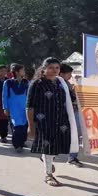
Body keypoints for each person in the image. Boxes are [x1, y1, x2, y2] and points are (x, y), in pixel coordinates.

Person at [27, 57, 79, 187]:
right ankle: (48, 174)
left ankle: (46, 159)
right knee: (49, 147)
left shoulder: (62, 83)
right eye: (51, 68)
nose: (54, 70)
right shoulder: (37, 84)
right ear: (44, 69)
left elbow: (72, 99)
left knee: (58, 146)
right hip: (44, 121)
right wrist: (31, 127)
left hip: (61, 121)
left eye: (57, 68)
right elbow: (29, 106)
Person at [59, 63, 84, 167]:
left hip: (73, 112)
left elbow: (73, 95)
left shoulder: (67, 83)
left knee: (76, 135)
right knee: (63, 135)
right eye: (69, 73)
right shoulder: (58, 84)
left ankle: (72, 157)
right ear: (61, 74)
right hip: (65, 114)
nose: (70, 75)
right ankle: (49, 155)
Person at [3, 64, 29, 153]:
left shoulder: (26, 82)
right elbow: (4, 96)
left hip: (24, 107)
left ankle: (22, 142)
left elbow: (28, 95)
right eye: (22, 70)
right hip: (13, 108)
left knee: (25, 125)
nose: (24, 71)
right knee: (17, 126)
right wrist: (5, 108)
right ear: (17, 72)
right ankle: (17, 145)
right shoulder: (8, 82)